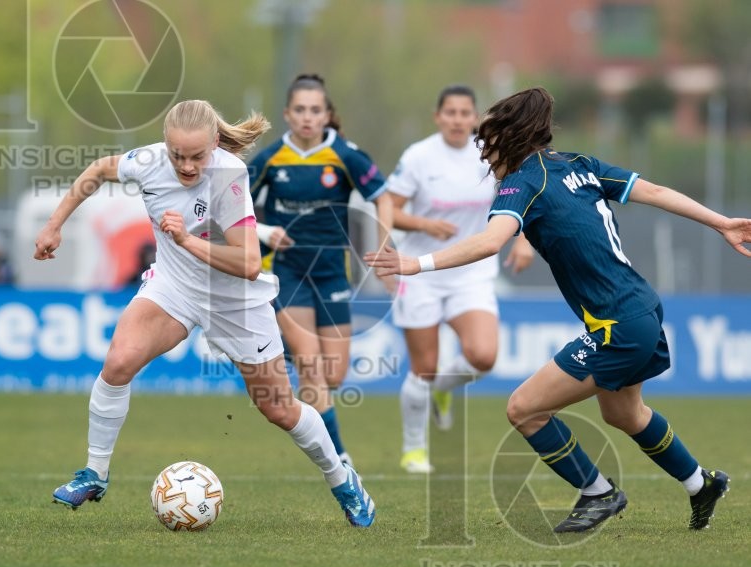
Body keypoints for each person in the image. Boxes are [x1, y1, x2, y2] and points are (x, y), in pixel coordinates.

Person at [366, 87, 751, 532]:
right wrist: (720, 222)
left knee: (524, 409)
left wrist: (416, 263)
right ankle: (700, 484)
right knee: (624, 414)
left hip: (618, 324)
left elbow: (491, 241)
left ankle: (598, 493)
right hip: (642, 307)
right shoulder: (581, 165)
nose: (483, 153)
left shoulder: (522, 182)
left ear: (508, 137)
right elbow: (658, 191)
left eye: (486, 141)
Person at [34, 100, 375, 527]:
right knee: (119, 362)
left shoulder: (229, 176)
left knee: (279, 409)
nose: (187, 166)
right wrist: (54, 225)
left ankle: (342, 479)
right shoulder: (148, 162)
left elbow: (248, 262)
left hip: (236, 301)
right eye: (177, 155)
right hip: (174, 289)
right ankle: (94, 473)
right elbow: (100, 170)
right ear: (165, 144)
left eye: (197, 156)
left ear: (215, 143)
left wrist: (186, 240)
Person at [385, 85, 534, 474]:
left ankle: (443, 390)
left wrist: (523, 241)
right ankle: (414, 450)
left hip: (472, 273)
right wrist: (423, 224)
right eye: (449, 112)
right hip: (421, 271)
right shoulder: (418, 156)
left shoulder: (490, 154)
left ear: (475, 118)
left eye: (464, 113)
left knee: (483, 356)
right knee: (424, 366)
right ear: (438, 117)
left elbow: (523, 198)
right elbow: (388, 208)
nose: (457, 119)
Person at [248, 74, 394, 467]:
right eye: (300, 110)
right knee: (312, 368)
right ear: (287, 114)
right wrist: (263, 231)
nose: (307, 117)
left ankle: (287, 348)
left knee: (334, 375)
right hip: (286, 271)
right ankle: (339, 458)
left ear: (327, 114)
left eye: (315, 110)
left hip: (331, 273)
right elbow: (233, 204)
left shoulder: (346, 155)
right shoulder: (270, 159)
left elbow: (383, 198)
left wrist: (384, 250)